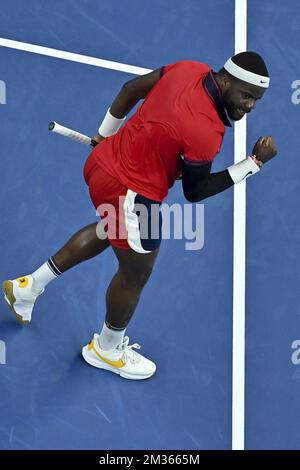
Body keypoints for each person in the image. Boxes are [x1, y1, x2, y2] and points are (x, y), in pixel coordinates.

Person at [3, 51, 277, 380]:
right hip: (132, 194)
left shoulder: (189, 68)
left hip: (103, 165)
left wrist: (104, 135)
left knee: (110, 230)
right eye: (247, 96)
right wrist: (253, 163)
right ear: (227, 80)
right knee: (136, 273)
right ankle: (106, 349)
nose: (250, 106)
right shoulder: (205, 132)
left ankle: (28, 287)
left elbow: (131, 88)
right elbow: (196, 191)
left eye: (257, 100)